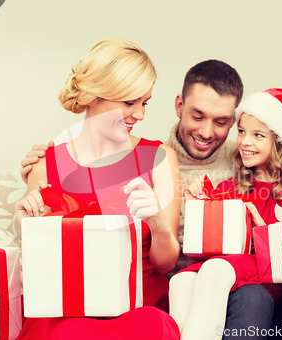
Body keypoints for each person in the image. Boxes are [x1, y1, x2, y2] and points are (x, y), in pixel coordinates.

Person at [19, 61, 282, 339]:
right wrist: (52, 170)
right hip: (207, 288)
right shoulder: (149, 157)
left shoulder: (246, 155)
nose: (208, 132)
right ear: (179, 105)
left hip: (266, 278)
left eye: (223, 122)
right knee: (245, 296)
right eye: (198, 116)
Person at [15, 37, 181, 340]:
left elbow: (166, 262)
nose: (140, 115)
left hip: (136, 310)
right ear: (94, 96)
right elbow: (38, 250)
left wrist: (157, 223)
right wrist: (23, 219)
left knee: (152, 325)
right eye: (129, 102)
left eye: (145, 103)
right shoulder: (44, 163)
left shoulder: (159, 158)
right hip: (68, 312)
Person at [173, 88, 282, 340]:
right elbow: (208, 248)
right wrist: (200, 207)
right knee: (251, 295)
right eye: (242, 131)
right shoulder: (228, 189)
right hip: (248, 301)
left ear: (280, 142)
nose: (245, 142)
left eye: (258, 135)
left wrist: (266, 235)